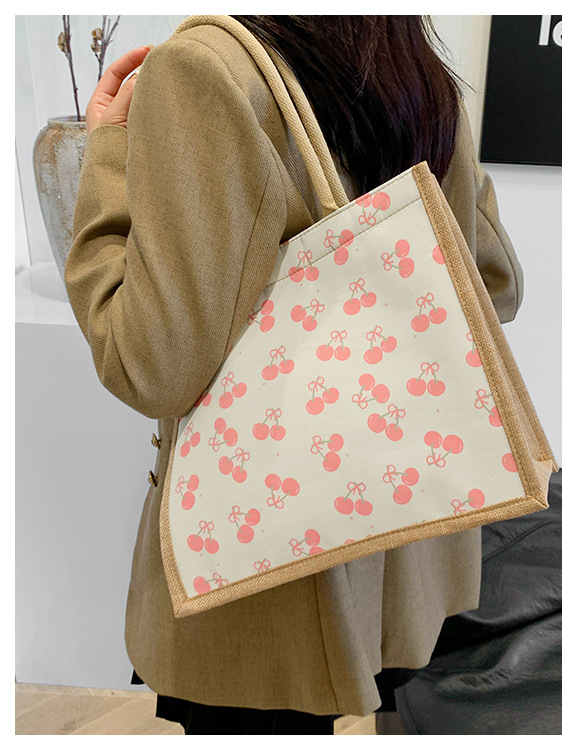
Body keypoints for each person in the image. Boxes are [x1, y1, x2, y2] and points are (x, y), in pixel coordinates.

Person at [66, 14, 524, 735]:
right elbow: (493, 287)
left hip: (269, 570)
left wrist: (109, 154)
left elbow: (151, 364)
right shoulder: (410, 64)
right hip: (403, 534)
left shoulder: (204, 69)